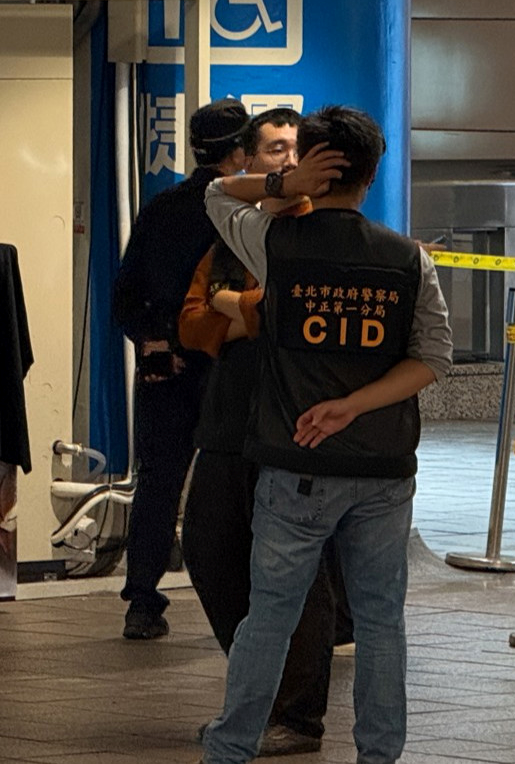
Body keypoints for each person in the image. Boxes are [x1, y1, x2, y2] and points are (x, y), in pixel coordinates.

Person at [200, 106, 453, 764]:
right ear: (372, 176)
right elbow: (434, 358)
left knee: (271, 618)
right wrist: (354, 405)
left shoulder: (274, 245)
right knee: (379, 620)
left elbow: (215, 192)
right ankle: (378, 756)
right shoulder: (407, 260)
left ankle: (228, 749)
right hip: (383, 472)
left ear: (309, 165)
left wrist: (285, 186)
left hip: (295, 464)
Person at [179, 108, 335, 759]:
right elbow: (189, 323)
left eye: (295, 150)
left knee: (297, 572)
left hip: (294, 426)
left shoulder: (322, 236)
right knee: (209, 551)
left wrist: (233, 308)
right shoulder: (230, 235)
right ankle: (257, 685)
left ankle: (297, 716)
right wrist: (242, 312)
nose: (284, 161)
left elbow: (287, 316)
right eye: (274, 149)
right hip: (225, 424)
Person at [110, 97, 251, 640]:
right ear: (240, 152)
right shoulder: (242, 214)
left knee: (158, 484)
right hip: (228, 368)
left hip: (163, 369)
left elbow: (124, 294)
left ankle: (142, 601)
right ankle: (243, 603)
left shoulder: (161, 208)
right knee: (241, 484)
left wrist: (153, 342)